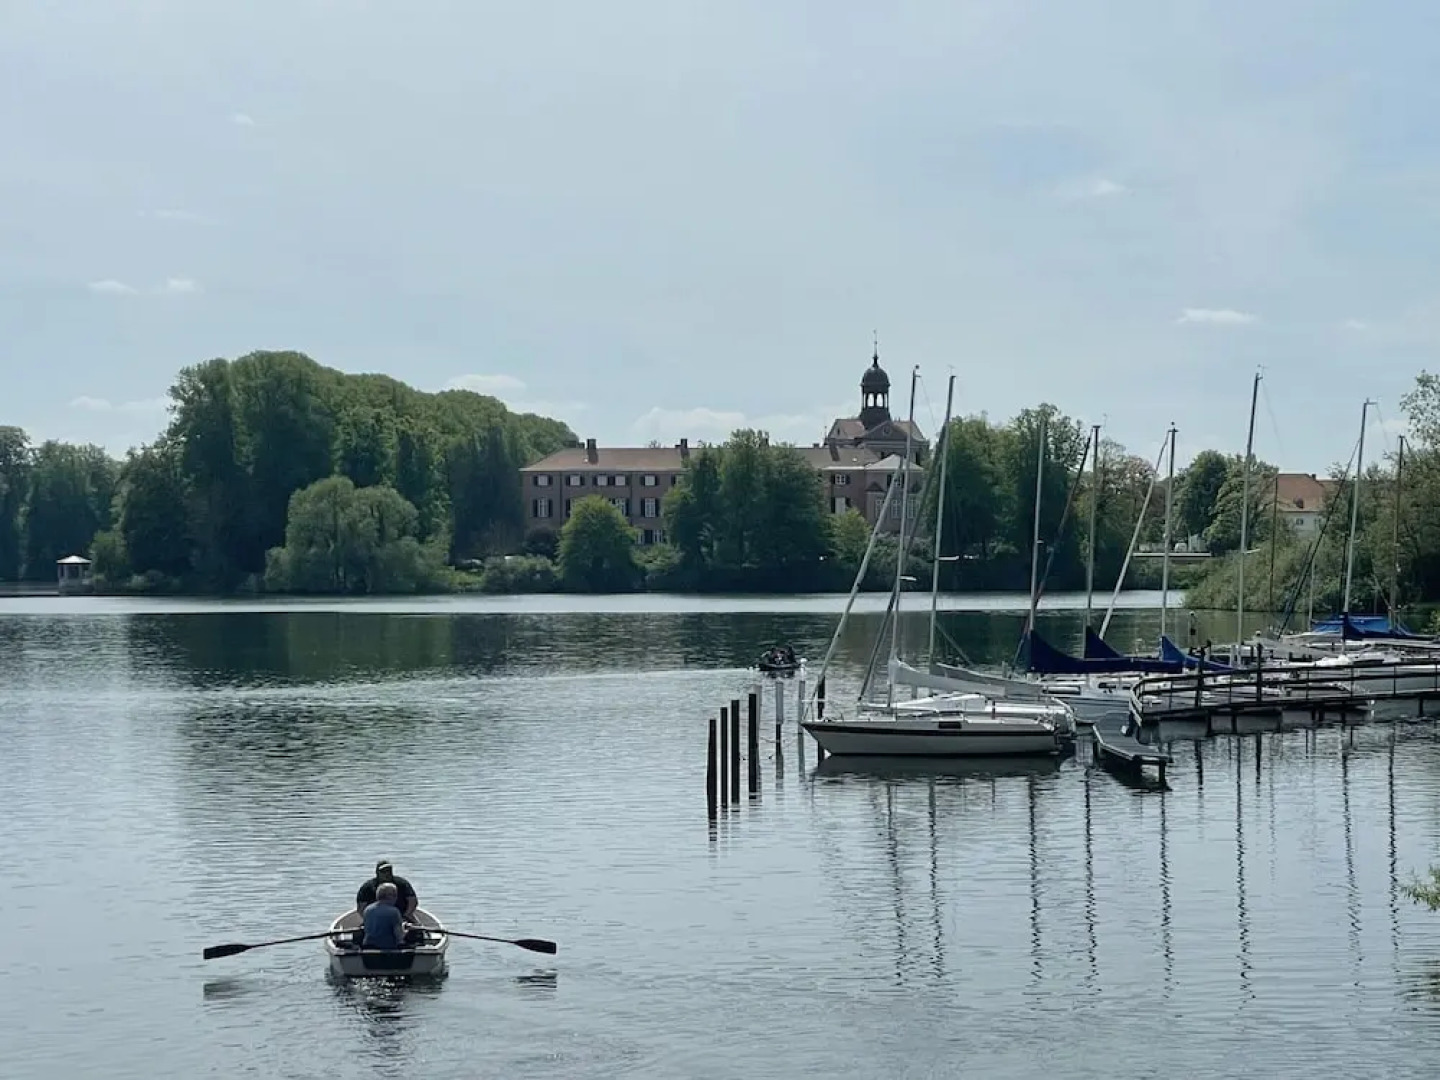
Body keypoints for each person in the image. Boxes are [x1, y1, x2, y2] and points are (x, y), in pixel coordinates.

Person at [361, 882, 408, 950]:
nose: (396, 898)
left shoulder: (368, 909)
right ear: (390, 896)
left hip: (368, 946)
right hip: (388, 948)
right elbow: (399, 936)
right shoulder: (394, 911)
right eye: (395, 895)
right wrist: (406, 930)